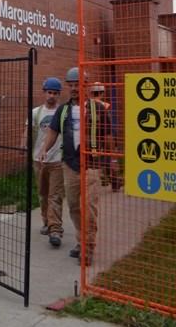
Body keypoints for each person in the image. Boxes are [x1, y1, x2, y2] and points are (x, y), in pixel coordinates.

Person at [40, 67, 109, 266]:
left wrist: (110, 161)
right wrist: (45, 149)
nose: (73, 88)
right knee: (74, 207)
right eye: (70, 85)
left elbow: (108, 135)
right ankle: (81, 241)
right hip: (70, 164)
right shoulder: (63, 110)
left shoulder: (98, 108)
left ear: (85, 86)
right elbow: (53, 132)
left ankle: (87, 249)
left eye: (76, 85)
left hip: (92, 164)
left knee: (89, 207)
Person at [26, 76, 64, 247]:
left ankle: (55, 229)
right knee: (43, 194)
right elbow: (27, 132)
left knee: (55, 195)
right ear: (44, 93)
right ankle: (45, 221)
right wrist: (23, 146)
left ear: (59, 94)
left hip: (58, 160)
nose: (52, 96)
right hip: (38, 160)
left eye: (55, 93)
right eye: (49, 92)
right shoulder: (36, 113)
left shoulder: (62, 112)